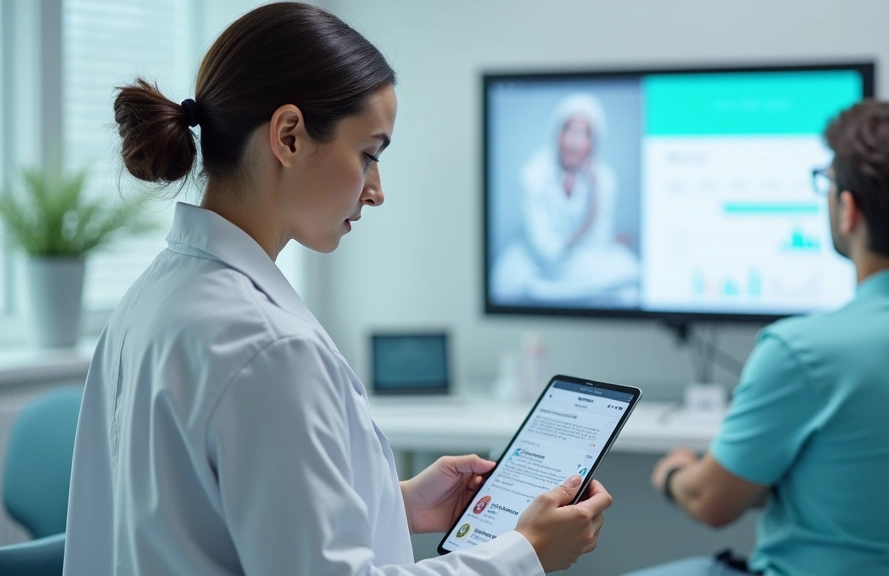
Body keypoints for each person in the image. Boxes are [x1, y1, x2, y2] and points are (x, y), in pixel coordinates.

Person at [62, 4, 611, 575]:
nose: (376, 191)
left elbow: (213, 524)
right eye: (369, 154)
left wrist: (391, 503)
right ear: (290, 136)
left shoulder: (152, 296)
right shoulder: (267, 347)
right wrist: (525, 553)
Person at [628, 100, 889, 576]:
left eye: (827, 183)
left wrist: (673, 472)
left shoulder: (802, 351)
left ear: (848, 210)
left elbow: (710, 502)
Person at [492, 92, 639, 304]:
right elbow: (546, 251)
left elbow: (598, 241)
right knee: (505, 283)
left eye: (584, 134)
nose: (575, 142)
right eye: (570, 130)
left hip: (584, 260)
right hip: (539, 263)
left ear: (593, 142)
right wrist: (578, 236)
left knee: (629, 282)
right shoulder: (533, 174)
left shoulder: (604, 178)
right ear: (557, 133)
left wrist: (595, 193)